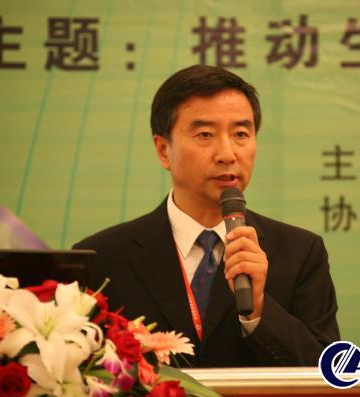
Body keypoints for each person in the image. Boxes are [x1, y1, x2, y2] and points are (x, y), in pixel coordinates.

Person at [73, 65, 339, 367]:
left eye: (241, 134)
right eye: (205, 134)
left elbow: (327, 373)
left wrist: (259, 311)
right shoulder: (103, 259)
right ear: (163, 150)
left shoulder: (301, 253)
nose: (227, 154)